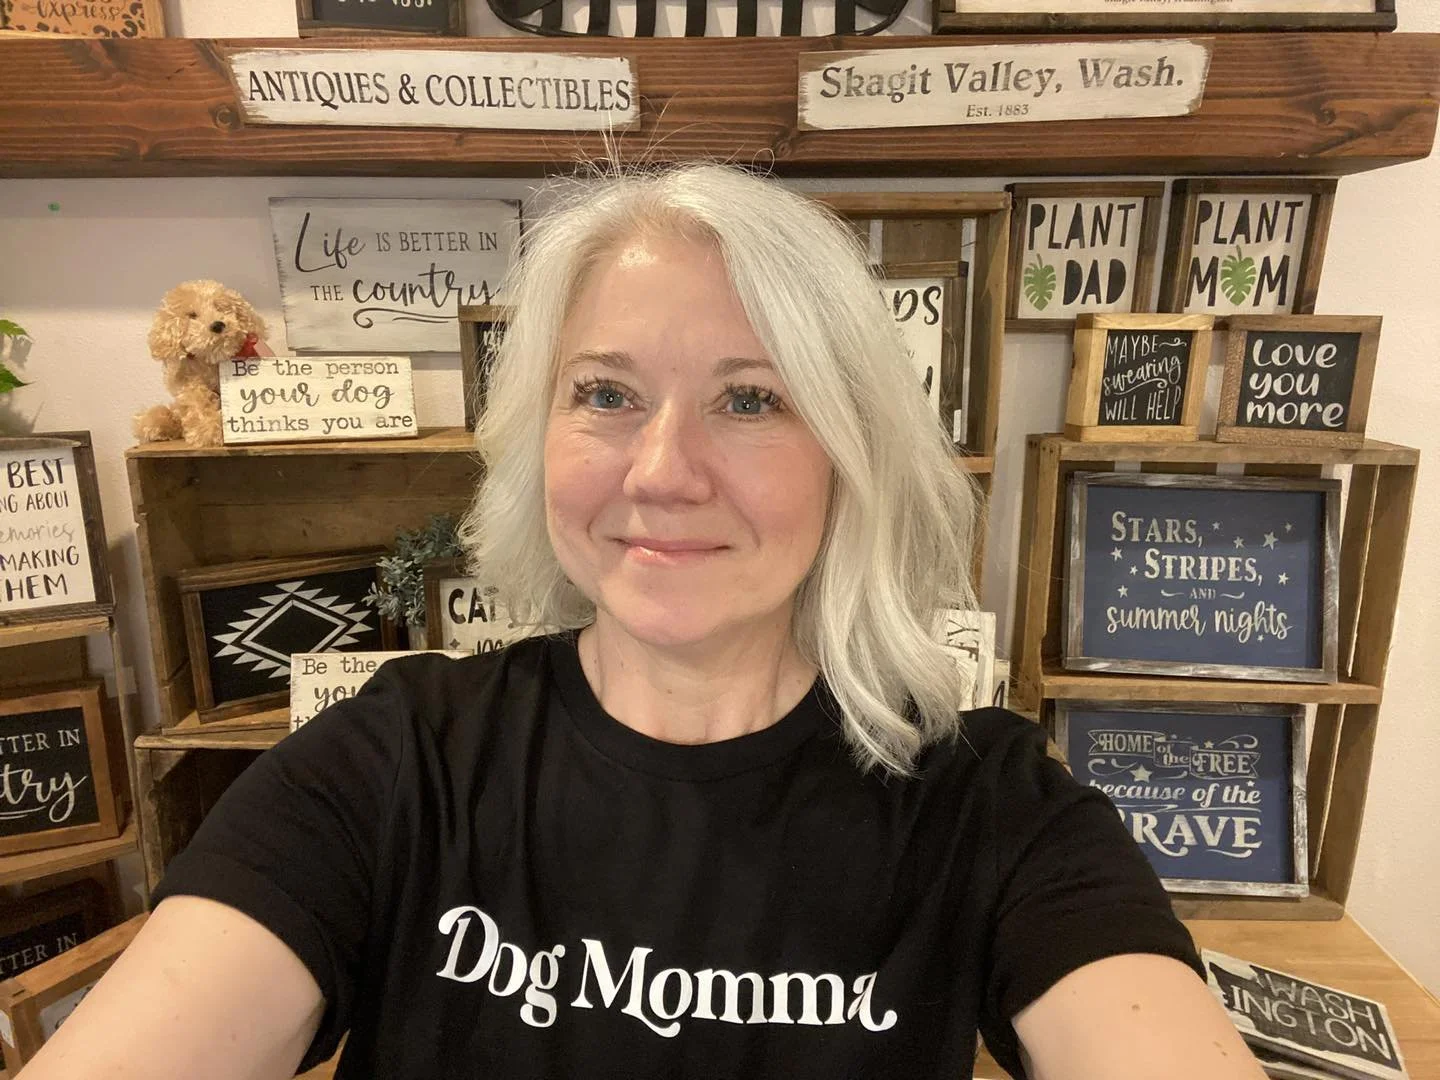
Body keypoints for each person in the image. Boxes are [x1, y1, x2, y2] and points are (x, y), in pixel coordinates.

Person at [19, 163, 1264, 1080]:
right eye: (606, 392)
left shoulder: (986, 802)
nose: (662, 471)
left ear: (850, 452)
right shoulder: (396, 760)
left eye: (751, 401)